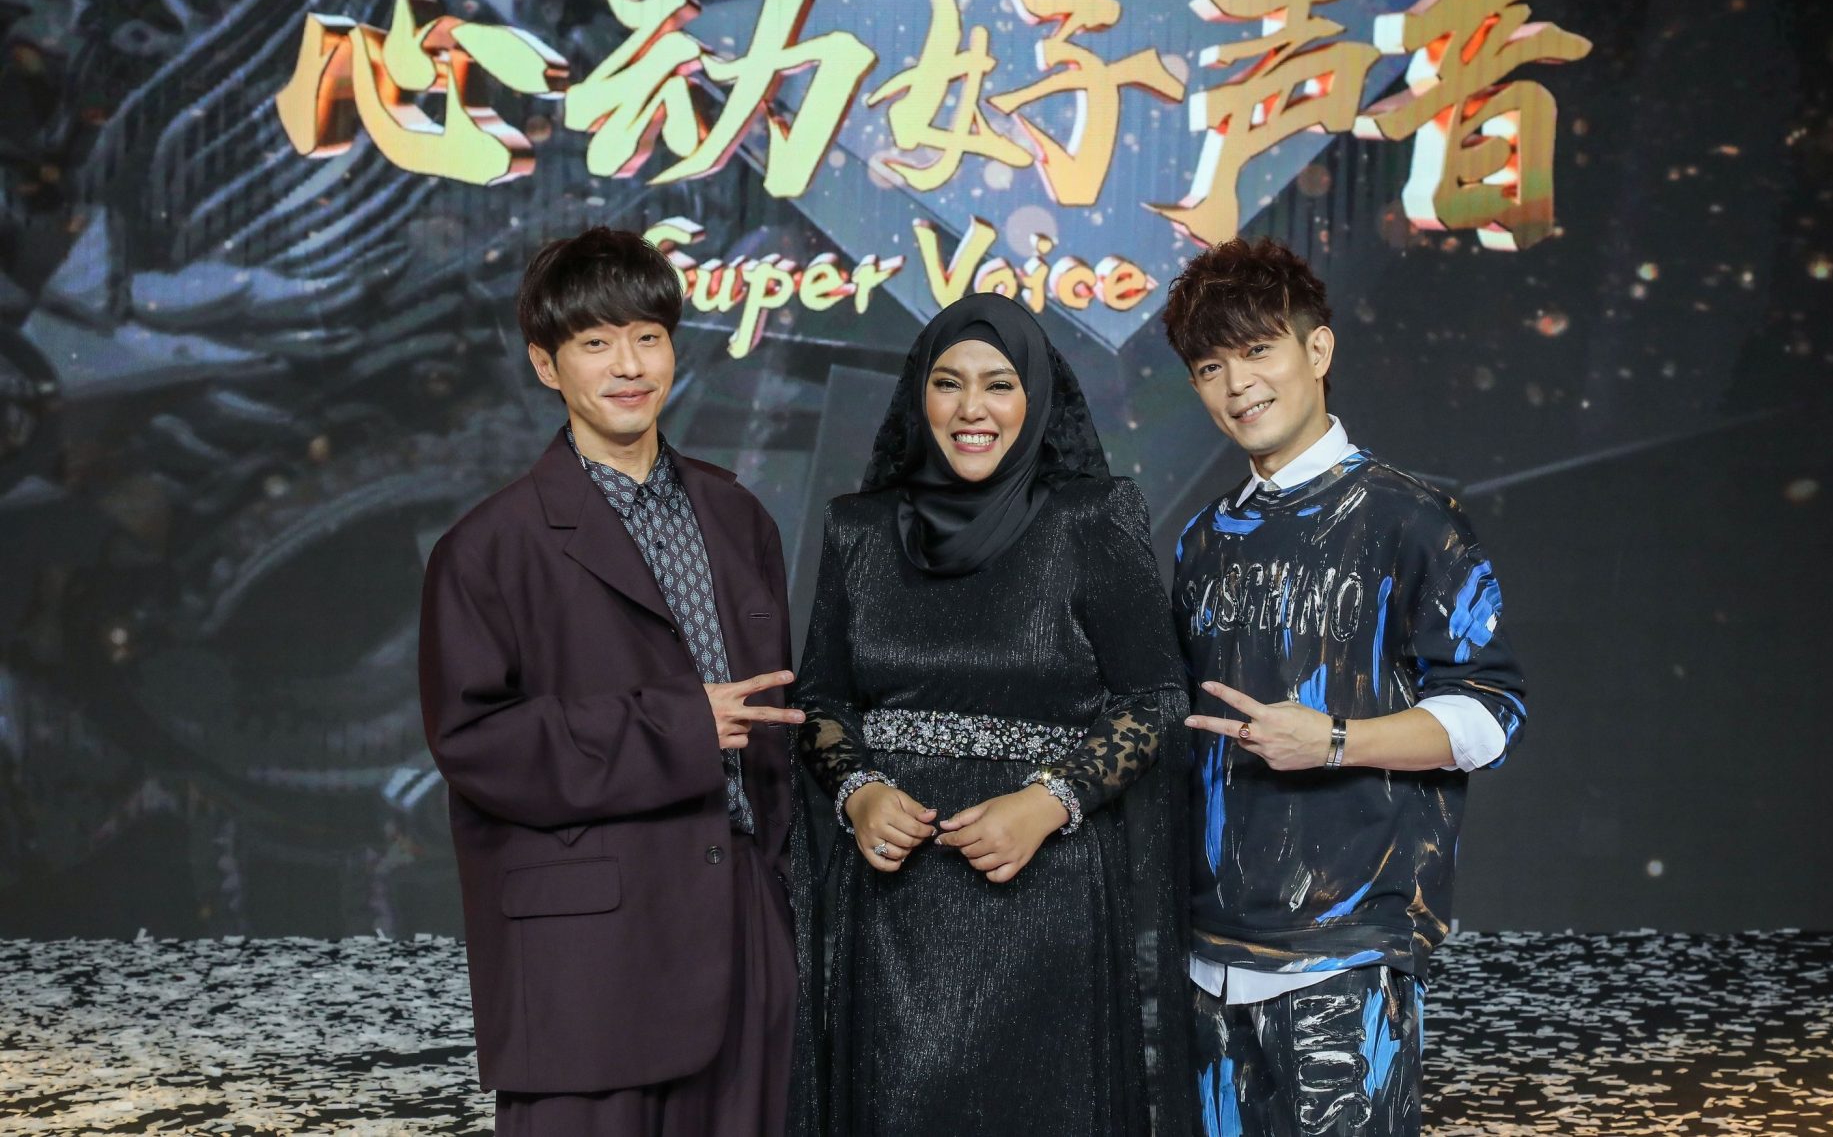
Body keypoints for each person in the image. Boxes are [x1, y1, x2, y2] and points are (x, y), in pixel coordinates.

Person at [418, 226, 803, 1137]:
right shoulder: (487, 548)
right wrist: (678, 726)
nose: (629, 365)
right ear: (546, 365)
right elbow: (476, 744)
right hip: (587, 953)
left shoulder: (737, 516)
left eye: (647, 336)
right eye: (596, 342)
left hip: (743, 925)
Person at [788, 293, 1193, 1137]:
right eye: (948, 383)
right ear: (920, 397)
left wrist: (1048, 801)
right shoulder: (857, 530)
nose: (972, 408)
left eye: (999, 384)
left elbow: (1155, 696)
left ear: (1035, 397)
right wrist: (859, 791)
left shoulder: (1091, 518)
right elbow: (821, 699)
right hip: (894, 903)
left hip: (1046, 892)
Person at [1162, 237, 1529, 1136]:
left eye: (1258, 350)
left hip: (1346, 951)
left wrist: (1333, 740)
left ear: (1317, 349)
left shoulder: (1411, 515)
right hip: (1206, 955)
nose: (1237, 383)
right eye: (1209, 366)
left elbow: (1491, 711)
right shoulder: (1201, 541)